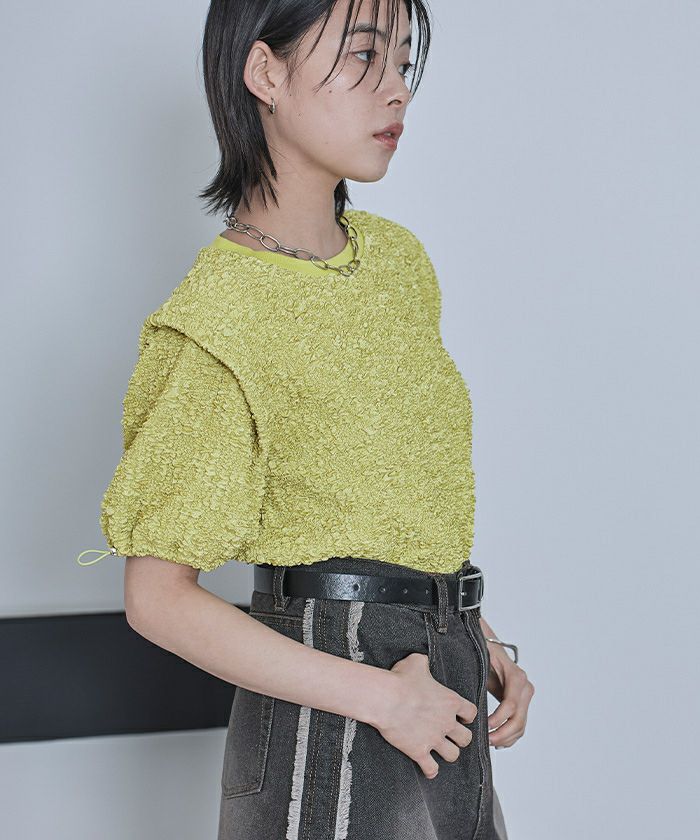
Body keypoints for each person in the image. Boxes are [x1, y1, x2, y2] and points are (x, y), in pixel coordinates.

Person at [76, 1, 534, 838]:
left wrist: (478, 637)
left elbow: (384, 508)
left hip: (442, 685)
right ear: (266, 73)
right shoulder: (217, 316)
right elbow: (157, 598)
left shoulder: (397, 263)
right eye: (363, 55)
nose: (396, 89)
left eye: (404, 62)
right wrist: (382, 697)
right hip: (335, 709)